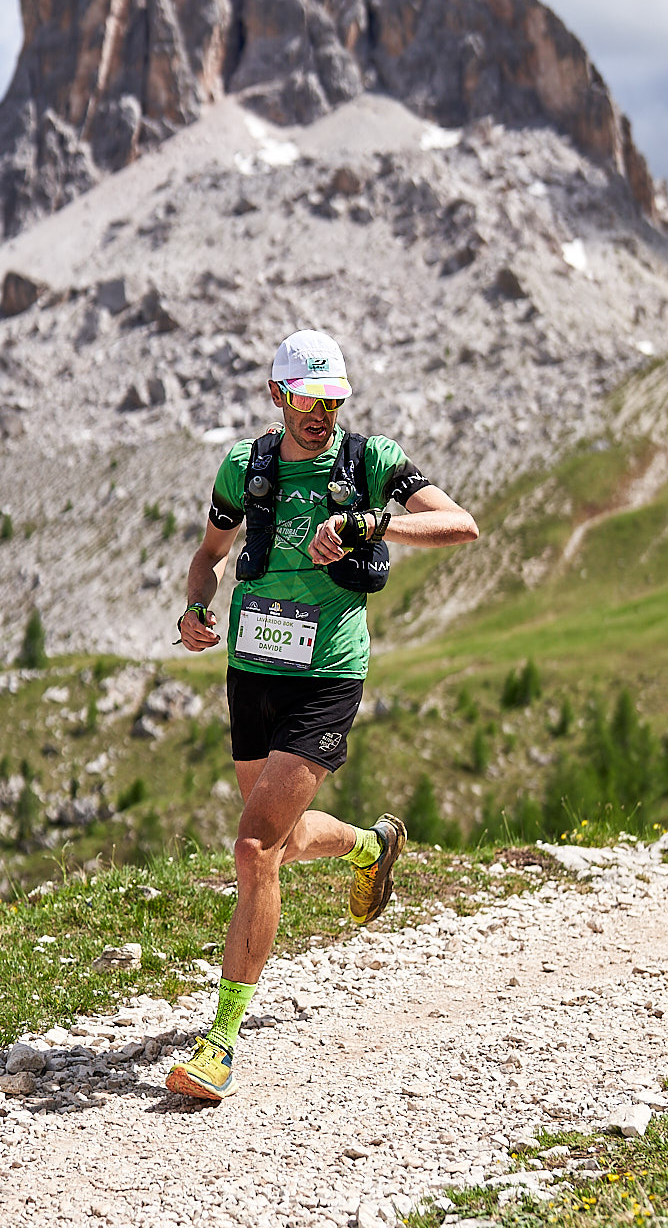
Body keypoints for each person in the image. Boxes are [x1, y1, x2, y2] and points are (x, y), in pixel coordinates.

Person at [165, 329, 478, 1102]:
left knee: (252, 849)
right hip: (252, 670)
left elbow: (460, 524)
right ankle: (371, 845)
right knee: (280, 839)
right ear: (279, 395)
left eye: (334, 400)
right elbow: (210, 555)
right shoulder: (245, 466)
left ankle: (220, 1044)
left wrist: (375, 523)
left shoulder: (371, 461)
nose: (323, 414)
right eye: (309, 400)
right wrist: (196, 609)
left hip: (328, 676)